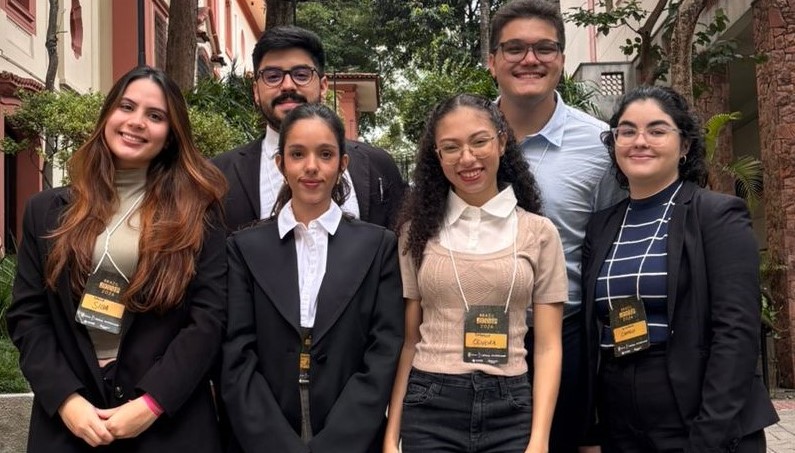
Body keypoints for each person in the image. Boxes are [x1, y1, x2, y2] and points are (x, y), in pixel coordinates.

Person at [7, 66, 228, 452]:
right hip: (71, 426)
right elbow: (28, 316)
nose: (136, 122)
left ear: (171, 135)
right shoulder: (45, 210)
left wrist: (152, 402)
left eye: (155, 116)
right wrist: (66, 400)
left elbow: (209, 320)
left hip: (166, 426)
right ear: (108, 114)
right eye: (126, 106)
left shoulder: (198, 213)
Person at [582, 86, 779, 452]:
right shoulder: (601, 226)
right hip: (620, 415)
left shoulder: (716, 215)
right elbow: (591, 330)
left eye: (657, 131)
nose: (639, 141)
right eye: (627, 131)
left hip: (698, 414)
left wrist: (709, 436)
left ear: (685, 145)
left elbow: (737, 331)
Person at [384, 94, 566, 453]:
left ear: (501, 141)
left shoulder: (539, 233)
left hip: (510, 408)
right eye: (450, 148)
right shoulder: (415, 234)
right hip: (429, 403)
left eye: (479, 141)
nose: (466, 158)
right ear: (437, 157)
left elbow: (547, 347)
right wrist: (392, 436)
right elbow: (409, 341)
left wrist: (540, 439)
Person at [221, 103, 403, 453]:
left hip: (349, 429)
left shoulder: (378, 246)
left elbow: (383, 350)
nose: (311, 167)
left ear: (342, 165)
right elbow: (236, 352)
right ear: (281, 164)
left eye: (325, 154)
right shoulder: (244, 248)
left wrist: (337, 443)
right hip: (264, 428)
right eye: (297, 154)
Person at [488, 2, 626, 450]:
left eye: (545, 48)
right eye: (514, 48)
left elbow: (613, 248)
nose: (530, 59)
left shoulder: (601, 145)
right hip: (475, 332)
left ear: (562, 61)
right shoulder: (463, 137)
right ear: (492, 61)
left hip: (566, 337)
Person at [213, 25, 406, 232]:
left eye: (301, 74)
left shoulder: (378, 166)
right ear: (256, 91)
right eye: (272, 76)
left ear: (323, 86)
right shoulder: (218, 176)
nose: (287, 85)